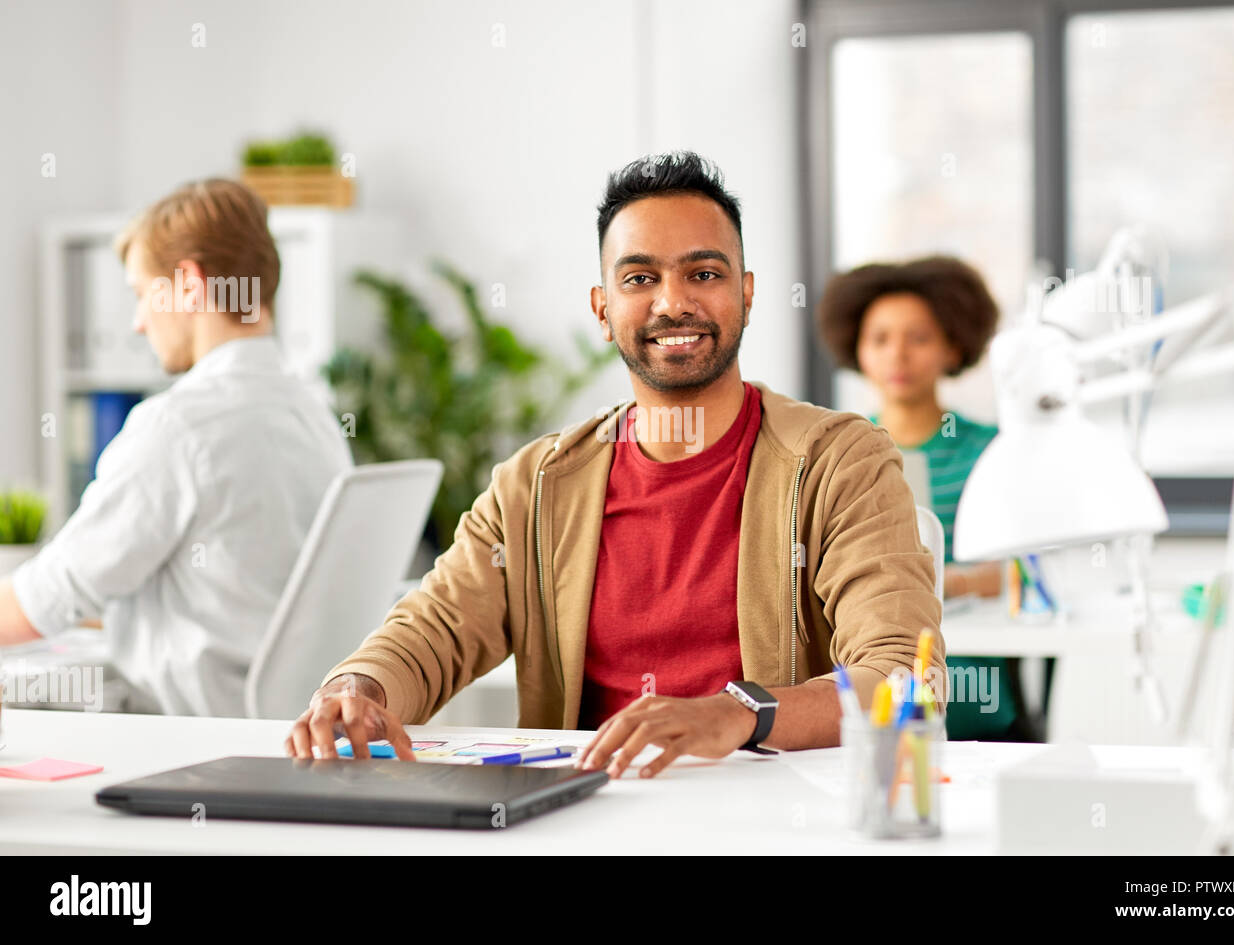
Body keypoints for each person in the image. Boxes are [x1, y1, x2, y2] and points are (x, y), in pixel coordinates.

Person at [286, 151, 945, 777]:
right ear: (603, 310)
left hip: (772, 817)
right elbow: (434, 629)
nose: (672, 302)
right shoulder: (535, 484)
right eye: (639, 278)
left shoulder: (840, 461)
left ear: (746, 295)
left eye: (704, 273)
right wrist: (357, 686)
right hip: (582, 813)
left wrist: (740, 712)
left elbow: (903, 677)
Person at [0, 179, 352, 717]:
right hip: (284, 740)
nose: (139, 322)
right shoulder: (314, 417)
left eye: (141, 293)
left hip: (190, 752)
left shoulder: (178, 426)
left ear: (187, 284)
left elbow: (47, 597)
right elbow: (238, 596)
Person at [816, 256, 1033, 741]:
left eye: (918, 338)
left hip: (974, 692)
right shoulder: (837, 453)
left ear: (952, 348)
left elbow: (1029, 572)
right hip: (869, 684)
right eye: (880, 339)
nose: (898, 355)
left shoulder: (992, 449)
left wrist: (950, 584)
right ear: (858, 349)